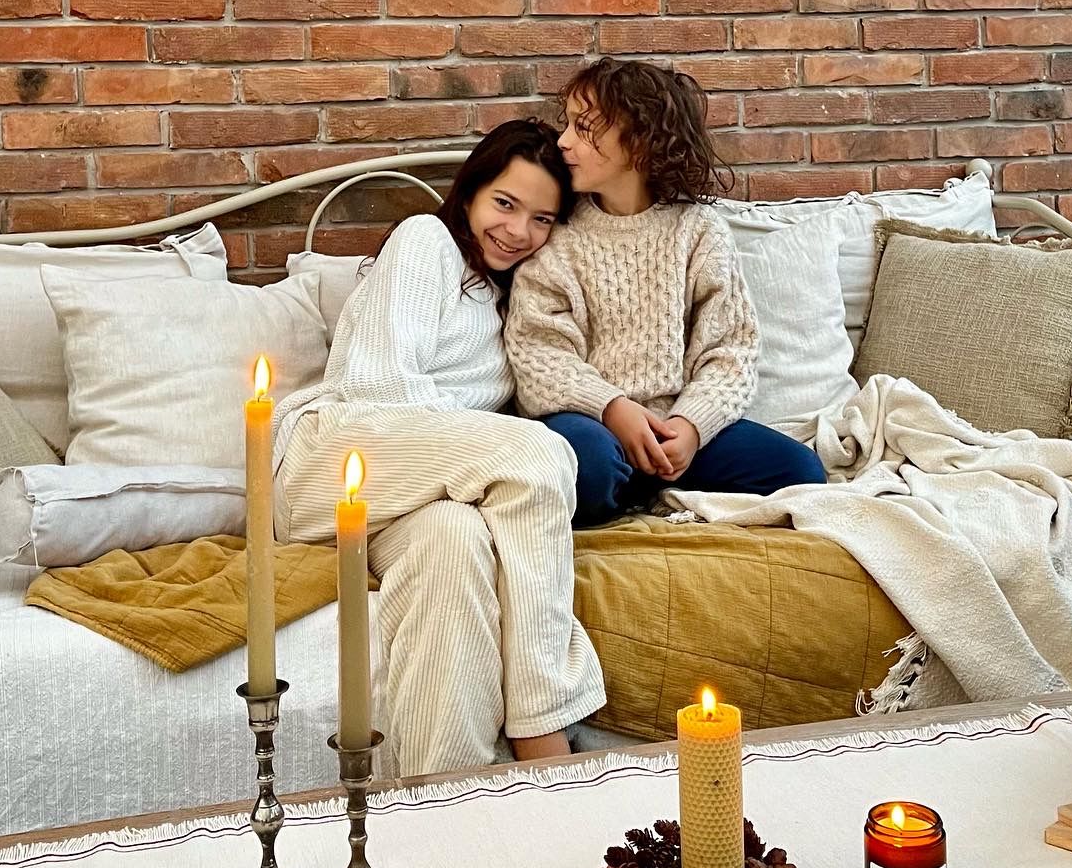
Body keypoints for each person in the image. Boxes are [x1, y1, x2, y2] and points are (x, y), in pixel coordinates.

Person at [274, 119, 605, 778]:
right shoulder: (426, 239)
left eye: (542, 218)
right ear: (471, 191)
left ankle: (447, 798)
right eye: (505, 203)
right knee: (538, 454)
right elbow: (379, 384)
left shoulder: (515, 302)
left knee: (455, 544)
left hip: (409, 500)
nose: (518, 230)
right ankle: (544, 725)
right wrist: (482, 453)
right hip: (334, 459)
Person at [505, 57, 827, 526]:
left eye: (583, 127)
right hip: (593, 424)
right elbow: (538, 353)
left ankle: (654, 484)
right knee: (586, 468)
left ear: (640, 141)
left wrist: (691, 427)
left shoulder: (698, 232)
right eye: (567, 124)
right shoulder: (558, 235)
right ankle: (635, 488)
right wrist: (613, 409)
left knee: (801, 471)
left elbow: (731, 351)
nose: (564, 141)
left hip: (676, 428)